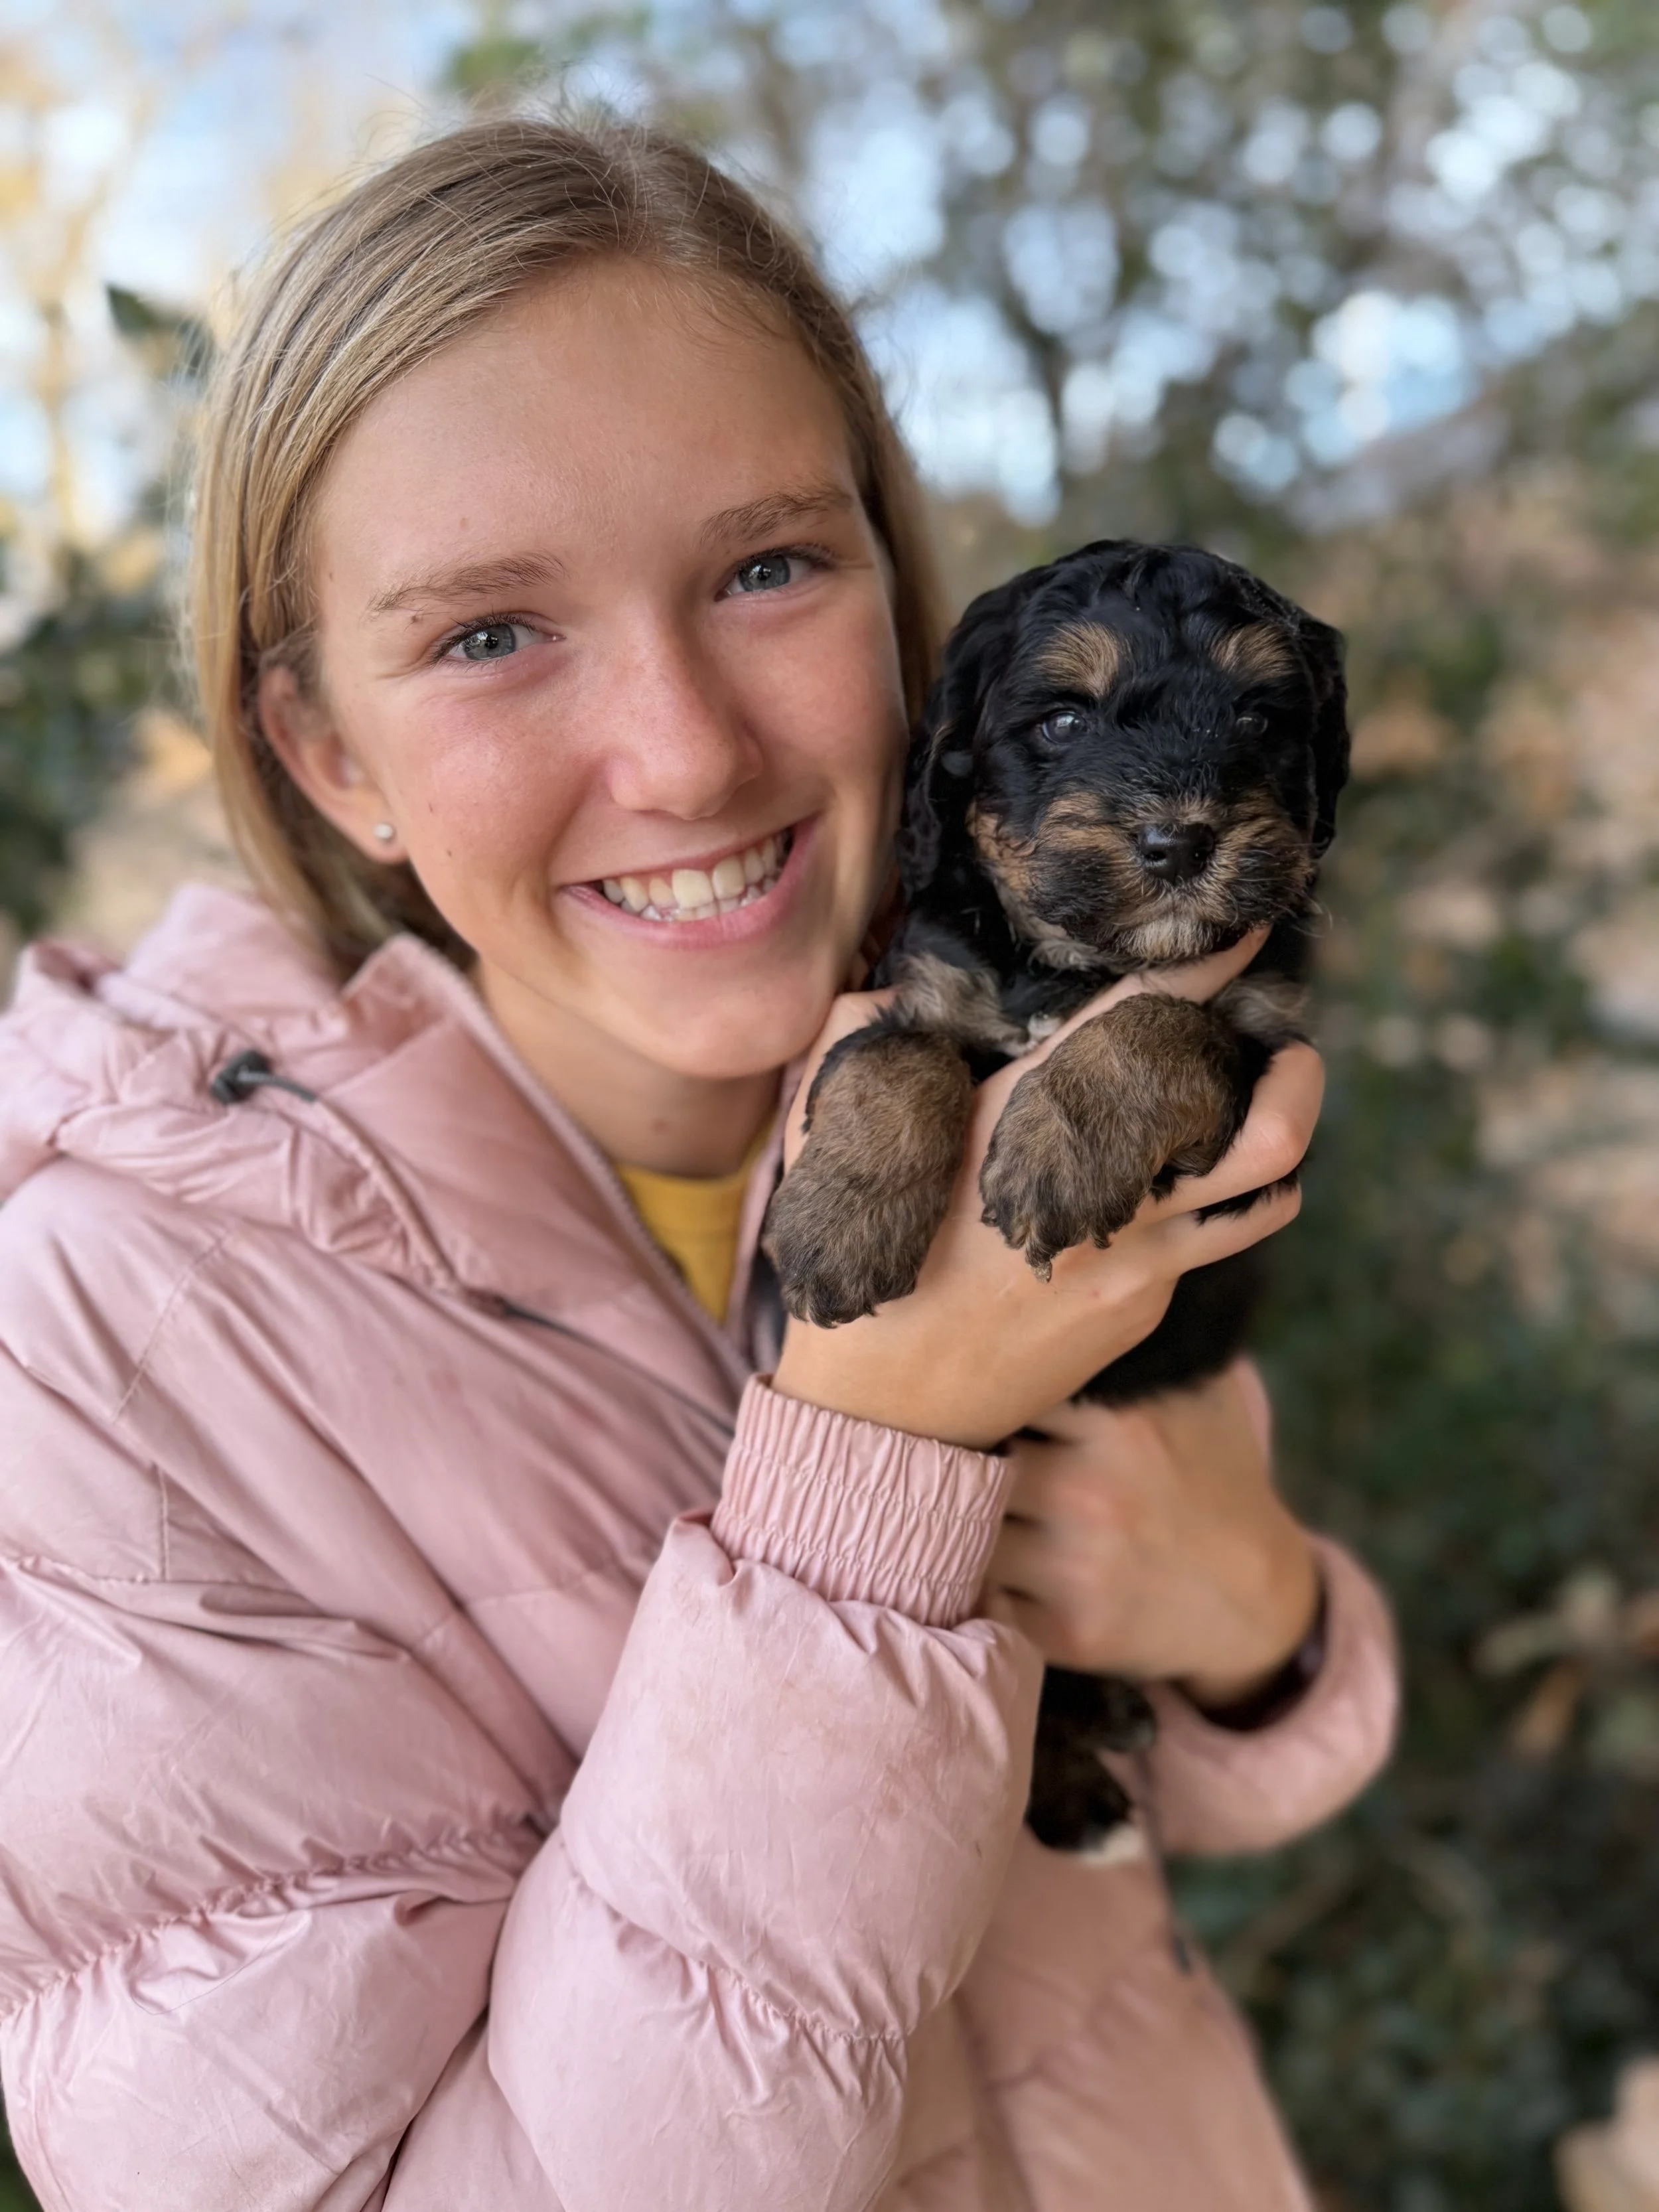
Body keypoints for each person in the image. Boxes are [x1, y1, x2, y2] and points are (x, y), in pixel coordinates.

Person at [0, 119, 1396, 2212]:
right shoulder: (92, 1348)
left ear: (910, 609)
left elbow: (1127, 1795)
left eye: (764, 568)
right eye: (487, 632)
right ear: (323, 750)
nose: (684, 750)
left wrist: (1260, 1623)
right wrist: (868, 1470)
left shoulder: (1017, 1039)